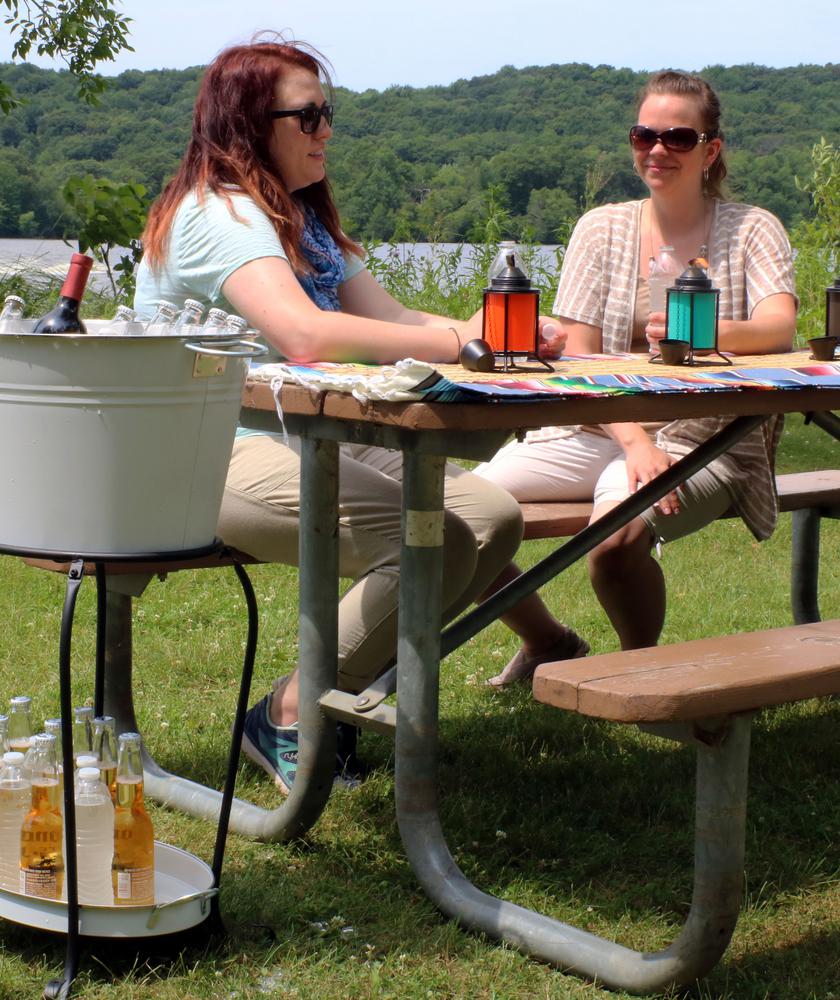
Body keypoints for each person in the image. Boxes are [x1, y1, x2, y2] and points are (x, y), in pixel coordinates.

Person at [133, 37, 559, 794]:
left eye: (328, 111)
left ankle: (336, 697)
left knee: (491, 517)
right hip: (205, 453)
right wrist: (454, 343)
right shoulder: (218, 213)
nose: (326, 128)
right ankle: (292, 715)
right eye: (308, 115)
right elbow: (305, 335)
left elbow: (388, 315)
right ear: (248, 124)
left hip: (307, 437)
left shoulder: (301, 222)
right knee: (429, 544)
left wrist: (490, 332)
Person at [474, 70, 797, 686]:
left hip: (704, 433)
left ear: (712, 148)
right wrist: (632, 438)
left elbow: (777, 327)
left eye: (678, 136)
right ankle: (547, 639)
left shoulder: (753, 227)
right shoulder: (602, 227)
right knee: (450, 513)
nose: (658, 149)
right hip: (596, 424)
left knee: (617, 542)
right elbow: (577, 360)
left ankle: (636, 673)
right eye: (644, 134)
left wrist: (690, 331)